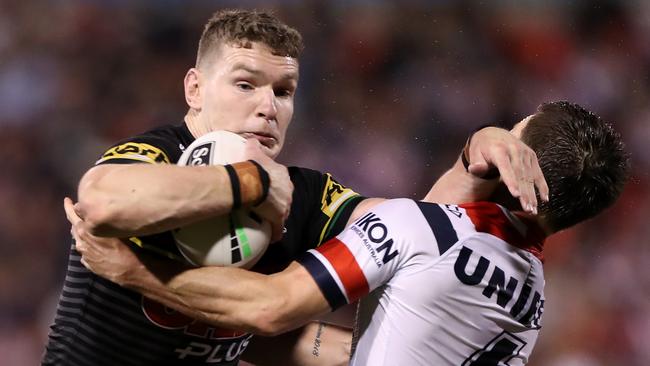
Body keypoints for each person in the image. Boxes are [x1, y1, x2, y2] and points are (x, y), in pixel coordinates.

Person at [43, 9, 547, 366]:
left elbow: (420, 226)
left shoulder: (302, 192)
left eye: (283, 92)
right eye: (245, 85)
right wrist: (250, 180)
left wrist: (472, 157)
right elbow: (102, 201)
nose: (269, 107)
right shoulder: (161, 153)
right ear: (194, 89)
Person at [69, 101, 630, 365]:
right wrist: (480, 138)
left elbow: (268, 307)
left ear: (515, 162)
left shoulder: (418, 231)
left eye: (515, 130)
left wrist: (133, 272)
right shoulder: (531, 288)